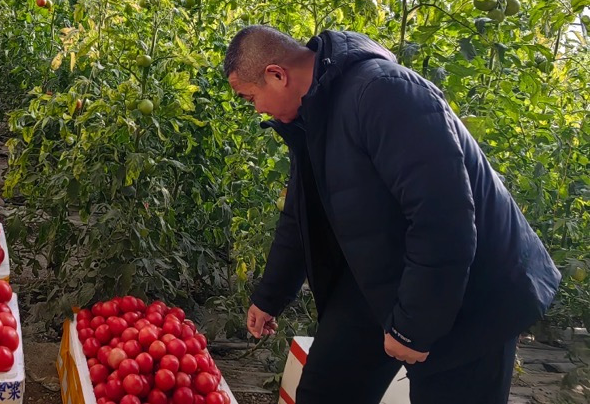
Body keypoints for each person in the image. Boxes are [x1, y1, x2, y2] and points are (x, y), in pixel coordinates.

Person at [224, 26, 560, 404]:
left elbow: (443, 218)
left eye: (250, 97)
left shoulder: (383, 92)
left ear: (276, 75)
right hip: (387, 269)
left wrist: (413, 328)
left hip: (472, 290)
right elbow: (302, 216)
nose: (258, 109)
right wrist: (270, 296)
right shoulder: (314, 116)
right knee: (327, 388)